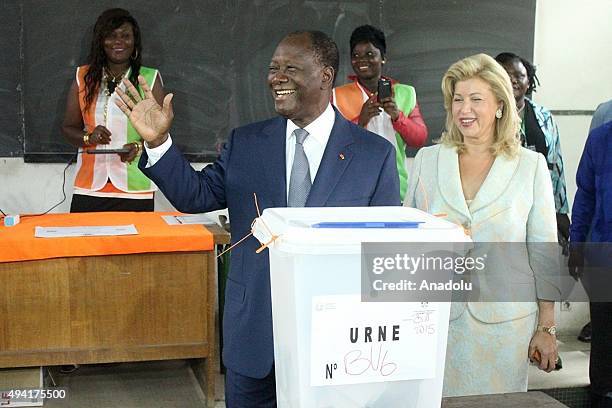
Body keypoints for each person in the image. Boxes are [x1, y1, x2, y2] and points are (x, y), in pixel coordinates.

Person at [115, 30, 400, 406]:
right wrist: (158, 143)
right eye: (273, 69)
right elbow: (195, 194)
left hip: (336, 345)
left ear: (326, 76)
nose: (275, 78)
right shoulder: (247, 143)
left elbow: (383, 255)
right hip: (253, 337)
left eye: (290, 69)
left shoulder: (372, 154)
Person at [404, 54, 559, 396]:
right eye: (458, 99)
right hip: (436, 324)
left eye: (476, 100)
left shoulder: (530, 167)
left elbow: (544, 253)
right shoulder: (427, 161)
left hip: (506, 327)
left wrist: (547, 329)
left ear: (501, 107)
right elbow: (406, 242)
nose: (464, 110)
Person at [61, 8, 165, 213]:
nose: (119, 42)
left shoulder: (148, 79)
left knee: (137, 246)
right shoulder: (83, 77)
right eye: (111, 36)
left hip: (135, 186)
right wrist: (88, 137)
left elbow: (160, 134)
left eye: (126, 36)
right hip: (90, 187)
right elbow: (68, 128)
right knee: (85, 244)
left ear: (134, 42)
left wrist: (137, 145)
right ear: (101, 41)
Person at [332, 25, 427, 201]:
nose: (362, 60)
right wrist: (359, 122)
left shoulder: (405, 93)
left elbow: (419, 138)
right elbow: (332, 144)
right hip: (352, 187)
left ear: (382, 58)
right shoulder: (337, 96)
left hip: (396, 185)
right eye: (356, 55)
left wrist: (398, 117)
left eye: (370, 54)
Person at [494, 53, 569, 244]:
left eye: (519, 75)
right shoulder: (486, 117)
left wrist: (560, 212)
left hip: (539, 203)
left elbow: (556, 164)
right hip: (500, 210)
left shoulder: (544, 116)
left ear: (529, 82)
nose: (513, 80)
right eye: (505, 74)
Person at [570, 101, 612, 408]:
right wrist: (576, 245)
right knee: (604, 335)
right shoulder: (600, 139)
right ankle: (600, 393)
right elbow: (585, 195)